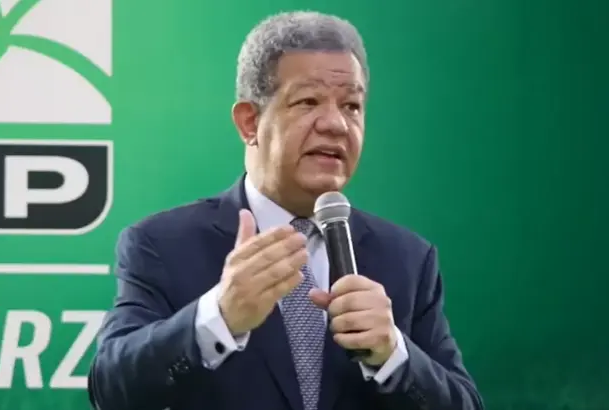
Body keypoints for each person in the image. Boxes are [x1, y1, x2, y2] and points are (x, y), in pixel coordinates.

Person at [87, 10, 484, 410]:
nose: (336, 124)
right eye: (308, 101)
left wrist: (394, 354)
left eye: (352, 106)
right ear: (249, 123)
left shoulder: (408, 259)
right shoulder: (161, 244)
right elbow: (111, 389)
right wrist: (219, 317)